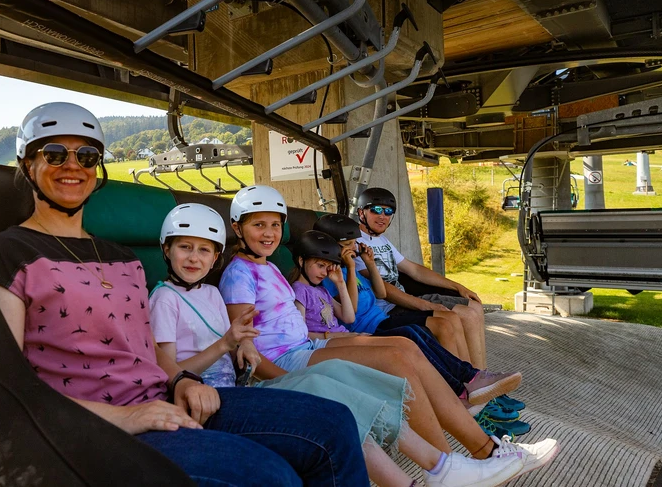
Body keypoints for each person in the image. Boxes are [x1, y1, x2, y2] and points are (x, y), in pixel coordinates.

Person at [0, 102, 372, 486]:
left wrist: (181, 380)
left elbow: (147, 347)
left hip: (167, 398)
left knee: (332, 424)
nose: (73, 166)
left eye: (87, 155)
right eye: (55, 154)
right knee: (268, 475)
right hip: (96, 425)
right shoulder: (10, 253)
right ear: (27, 164)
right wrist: (127, 418)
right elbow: (6, 383)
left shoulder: (122, 258)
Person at [150, 203, 525, 487]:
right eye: (185, 248)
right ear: (166, 250)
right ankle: (451, 462)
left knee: (377, 361)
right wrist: (249, 356)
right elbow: (179, 363)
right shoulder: (190, 292)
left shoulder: (224, 288)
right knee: (371, 369)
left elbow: (244, 342)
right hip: (246, 382)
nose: (194, 258)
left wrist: (248, 346)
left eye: (203, 250)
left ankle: (455, 459)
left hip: (280, 360)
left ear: (216, 254)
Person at [219, 185, 559, 480]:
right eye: (258, 225)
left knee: (404, 346)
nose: (268, 233)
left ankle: (482, 452)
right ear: (237, 228)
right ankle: (461, 463)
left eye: (275, 225)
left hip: (305, 347)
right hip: (285, 363)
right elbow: (245, 344)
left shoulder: (270, 269)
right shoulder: (240, 275)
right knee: (396, 354)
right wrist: (289, 379)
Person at [290, 229, 520, 408]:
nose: (325, 270)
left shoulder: (323, 286)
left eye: (327, 265)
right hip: (356, 333)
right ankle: (462, 388)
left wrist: (348, 275)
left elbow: (352, 311)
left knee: (418, 332)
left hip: (361, 329)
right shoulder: (303, 290)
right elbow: (308, 332)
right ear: (301, 261)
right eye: (321, 265)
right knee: (411, 334)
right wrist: (346, 274)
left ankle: (471, 380)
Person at [355, 187, 489, 370]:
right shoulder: (355, 242)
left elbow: (414, 270)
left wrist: (457, 286)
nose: (382, 216)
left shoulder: (383, 241)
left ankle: (482, 375)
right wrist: (426, 305)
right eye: (376, 210)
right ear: (361, 212)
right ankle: (474, 378)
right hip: (390, 308)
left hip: (405, 299)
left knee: (474, 307)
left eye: (388, 212)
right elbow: (383, 289)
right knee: (466, 315)